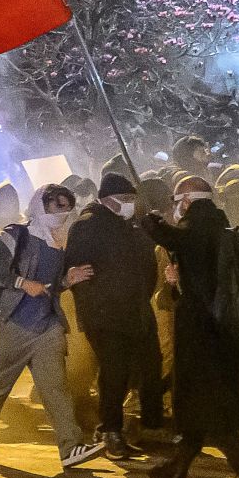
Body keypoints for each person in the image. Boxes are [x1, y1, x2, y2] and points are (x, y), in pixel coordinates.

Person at [144, 176, 239, 478]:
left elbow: (167, 235)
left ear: (187, 201)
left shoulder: (199, 225)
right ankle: (176, 470)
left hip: (204, 338)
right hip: (224, 335)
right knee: (199, 407)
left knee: (215, 412)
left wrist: (151, 219)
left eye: (178, 202)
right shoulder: (221, 226)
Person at [0, 184, 106, 470]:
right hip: (13, 325)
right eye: (56, 206)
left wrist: (68, 280)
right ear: (40, 205)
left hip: (47, 326)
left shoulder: (61, 243)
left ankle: (71, 447)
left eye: (66, 207)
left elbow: (50, 287)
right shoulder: (15, 235)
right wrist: (22, 283)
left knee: (56, 388)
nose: (62, 213)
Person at [62, 172, 163, 458]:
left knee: (144, 366)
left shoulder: (130, 224)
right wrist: (96, 301)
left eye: (133, 199)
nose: (131, 204)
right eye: (125, 200)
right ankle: (110, 430)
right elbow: (76, 272)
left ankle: (138, 424)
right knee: (114, 370)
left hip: (135, 310)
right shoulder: (89, 225)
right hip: (105, 313)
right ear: (108, 200)